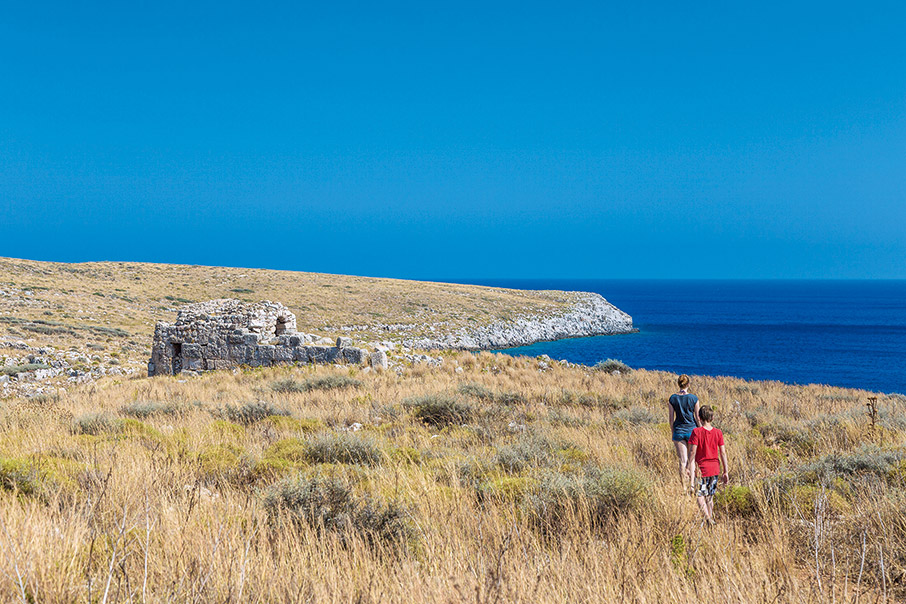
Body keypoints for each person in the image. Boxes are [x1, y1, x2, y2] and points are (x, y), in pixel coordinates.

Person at [685, 405, 729, 525]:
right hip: (715, 469)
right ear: (712, 417)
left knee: (700, 495)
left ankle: (707, 518)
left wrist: (688, 467)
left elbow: (693, 451)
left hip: (701, 469)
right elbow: (723, 452)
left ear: (699, 418)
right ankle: (710, 518)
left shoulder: (696, 432)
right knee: (710, 496)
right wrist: (725, 471)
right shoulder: (718, 433)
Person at [668, 374, 700, 490]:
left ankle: (684, 488)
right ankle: (692, 485)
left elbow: (671, 419)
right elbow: (697, 417)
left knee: (682, 460)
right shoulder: (694, 398)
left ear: (678, 384)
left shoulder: (672, 399)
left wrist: (673, 431)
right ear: (688, 384)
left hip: (679, 430)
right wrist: (700, 430)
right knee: (691, 460)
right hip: (692, 430)